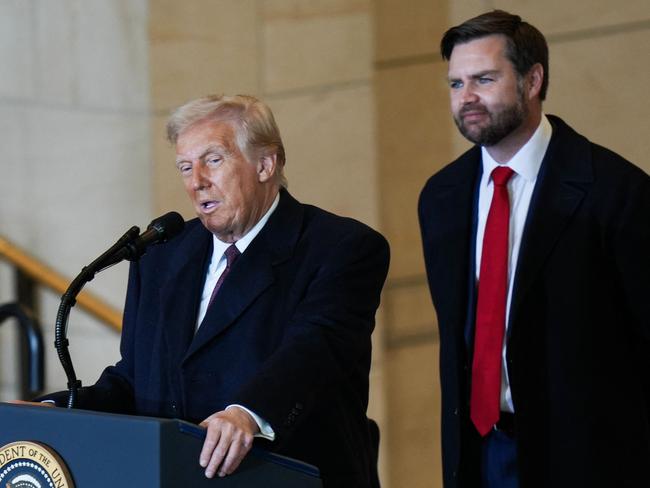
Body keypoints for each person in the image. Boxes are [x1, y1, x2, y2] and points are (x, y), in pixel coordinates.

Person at [35, 94, 390, 487]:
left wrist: (247, 413)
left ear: (265, 164)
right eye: (185, 167)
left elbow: (315, 349)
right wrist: (53, 412)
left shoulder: (340, 247)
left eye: (213, 160)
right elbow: (134, 381)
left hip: (285, 473)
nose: (196, 181)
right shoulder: (161, 255)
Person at [418, 10, 650, 488]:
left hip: (591, 459)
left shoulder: (616, 190)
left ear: (533, 79)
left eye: (484, 79)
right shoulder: (441, 197)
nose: (468, 99)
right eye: (456, 84)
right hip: (480, 453)